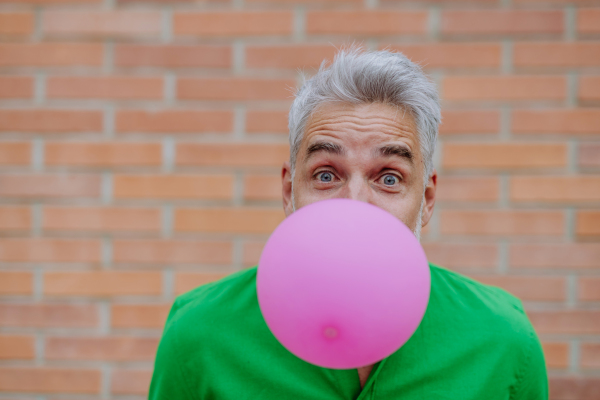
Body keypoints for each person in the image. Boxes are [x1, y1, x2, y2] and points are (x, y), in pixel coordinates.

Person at [149, 48, 548, 399]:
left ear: (426, 200)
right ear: (290, 192)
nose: (355, 204)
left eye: (388, 178)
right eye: (326, 175)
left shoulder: (503, 340)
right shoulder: (199, 335)